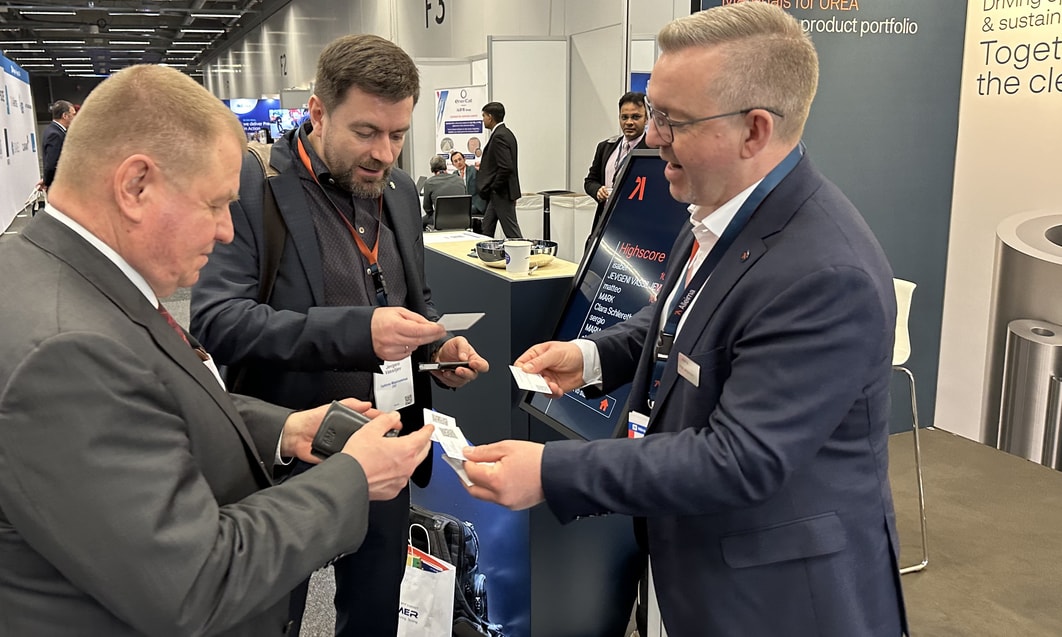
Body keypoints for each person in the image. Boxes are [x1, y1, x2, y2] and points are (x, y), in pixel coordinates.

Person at [462, 4, 907, 636]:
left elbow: (740, 458)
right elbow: (674, 319)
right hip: (692, 565)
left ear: (755, 131)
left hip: (773, 599)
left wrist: (549, 471)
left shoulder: (824, 274)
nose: (649, 138)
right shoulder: (714, 213)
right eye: (651, 114)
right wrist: (591, 358)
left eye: (672, 120)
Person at [0, 64, 434, 636]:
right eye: (213, 204)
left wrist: (287, 430)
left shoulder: (47, 267)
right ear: (135, 186)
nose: (228, 231)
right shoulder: (68, 351)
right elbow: (196, 582)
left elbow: (159, 398)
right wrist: (352, 477)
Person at [190, 34, 489, 637]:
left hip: (389, 448)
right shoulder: (253, 188)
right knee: (274, 618)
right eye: (366, 132)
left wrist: (436, 348)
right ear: (318, 113)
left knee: (376, 610)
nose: (385, 153)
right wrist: (360, 331)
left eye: (398, 135)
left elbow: (411, 300)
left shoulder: (401, 192)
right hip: (290, 460)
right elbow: (218, 321)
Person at [583, 91, 650, 229]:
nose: (629, 122)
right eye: (624, 117)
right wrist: (597, 190)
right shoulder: (605, 147)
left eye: (636, 117)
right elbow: (590, 181)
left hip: (637, 225)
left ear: (646, 119)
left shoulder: (654, 151)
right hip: (605, 223)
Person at [477, 101, 522, 238]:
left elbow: (506, 167)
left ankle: (523, 256)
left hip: (501, 193)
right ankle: (483, 253)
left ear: (490, 117)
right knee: (487, 228)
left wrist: (494, 186)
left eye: (484, 116)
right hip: (498, 193)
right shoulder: (507, 133)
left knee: (512, 232)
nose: (483, 119)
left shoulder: (499, 136)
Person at [37, 99, 75, 192]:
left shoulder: (55, 131)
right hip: (60, 188)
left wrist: (46, 180)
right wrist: (47, 182)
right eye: (73, 114)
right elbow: (51, 164)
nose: (75, 117)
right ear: (65, 116)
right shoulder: (55, 134)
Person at [421, 154, 466, 229]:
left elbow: (427, 208)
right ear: (445, 166)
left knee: (420, 221)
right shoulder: (459, 179)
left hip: (440, 220)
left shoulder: (429, 182)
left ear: (432, 169)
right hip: (462, 219)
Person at [451, 149, 486, 217]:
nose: (458, 162)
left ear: (464, 159)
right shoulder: (454, 175)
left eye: (460, 159)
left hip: (476, 204)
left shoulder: (473, 170)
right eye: (455, 161)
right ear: (453, 164)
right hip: (462, 204)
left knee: (461, 212)